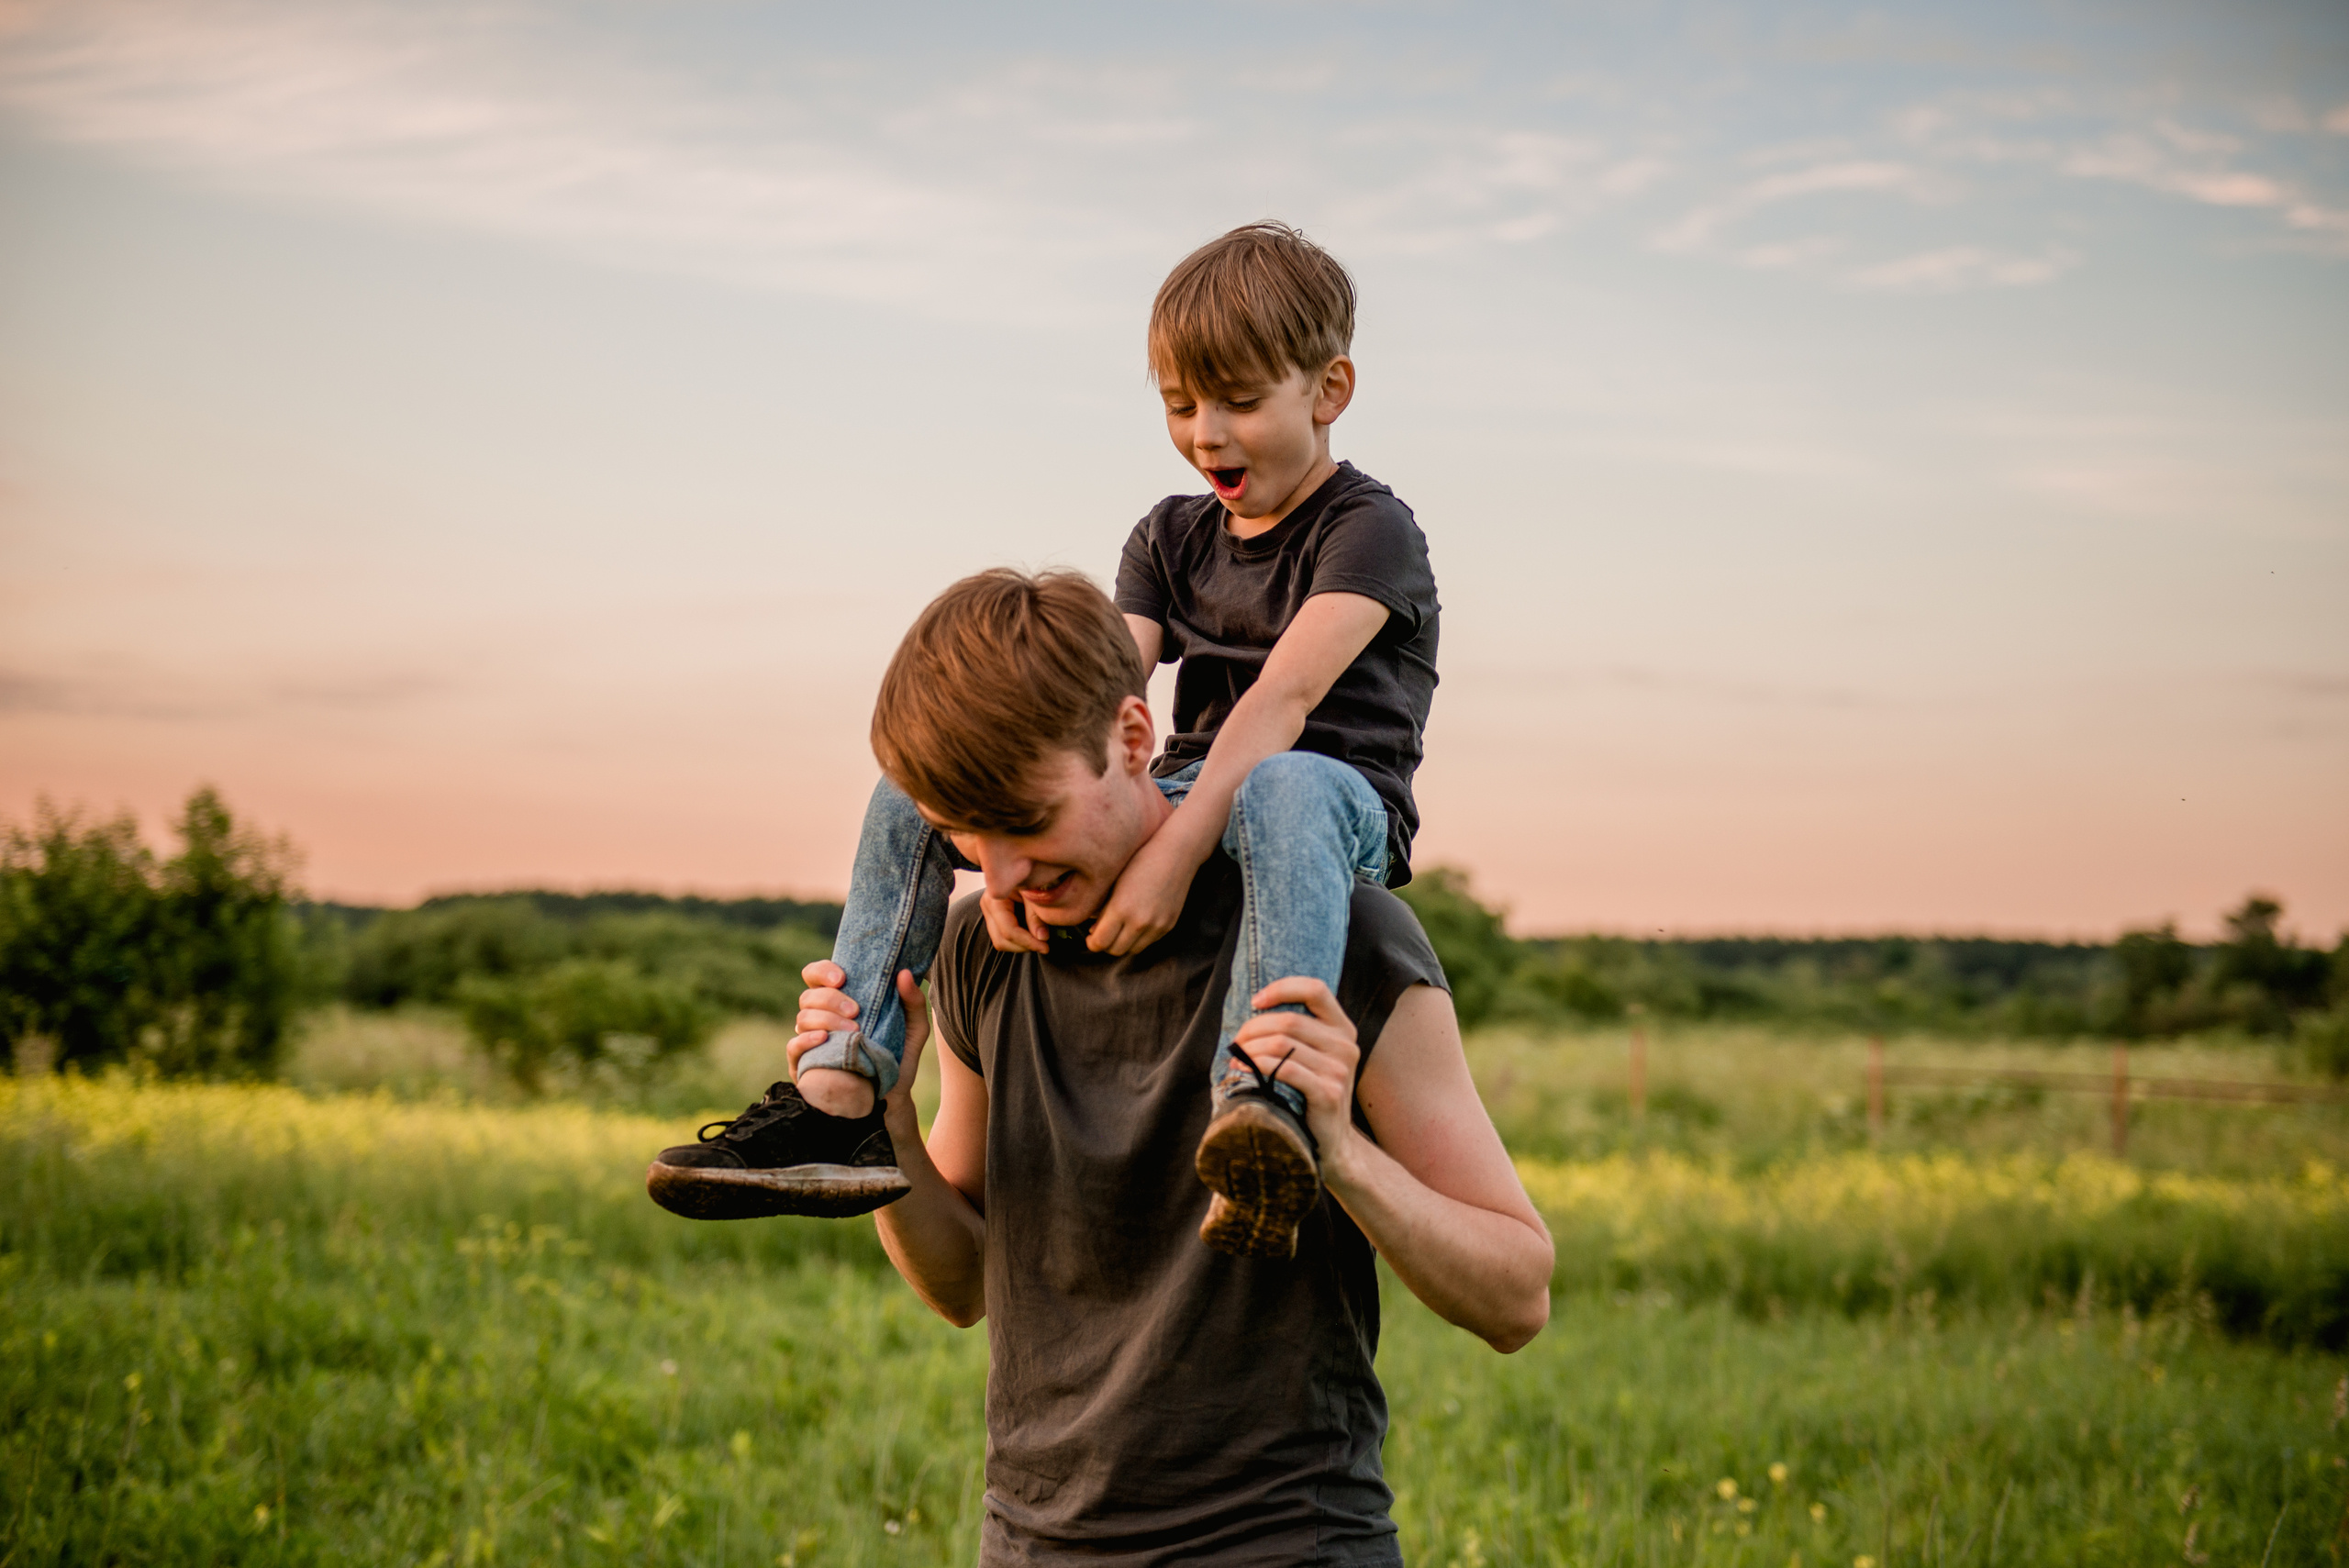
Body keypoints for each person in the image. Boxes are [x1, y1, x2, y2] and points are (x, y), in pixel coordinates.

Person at [647, 223, 1442, 1258]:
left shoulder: (1369, 529)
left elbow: (1281, 701)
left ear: (1329, 390)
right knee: (921, 779)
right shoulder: (1169, 534)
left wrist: (1170, 853)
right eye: (1180, 406)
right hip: (1197, 783)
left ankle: (1264, 1102)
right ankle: (842, 1089)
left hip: (1328, 804)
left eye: (1239, 403)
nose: (1206, 435)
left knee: (1281, 780)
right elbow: (1086, 701)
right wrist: (1003, 853)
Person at [810, 568, 1552, 1563]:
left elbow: (1517, 1297)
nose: (1004, 872)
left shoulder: (1342, 933)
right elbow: (962, 1286)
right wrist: (888, 1125)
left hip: (1281, 1542)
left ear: (1132, 739)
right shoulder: (981, 952)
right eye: (966, 837)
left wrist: (1339, 1152)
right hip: (1031, 1542)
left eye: (1027, 820)